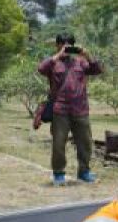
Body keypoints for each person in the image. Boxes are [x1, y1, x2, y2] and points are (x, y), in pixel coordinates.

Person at [37, 33, 102, 186]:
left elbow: (97, 69)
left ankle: (84, 172)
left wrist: (88, 55)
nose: (67, 47)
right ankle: (58, 174)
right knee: (59, 143)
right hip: (60, 110)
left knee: (85, 142)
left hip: (80, 109)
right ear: (57, 45)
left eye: (70, 44)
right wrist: (58, 56)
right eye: (63, 44)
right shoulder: (53, 63)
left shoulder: (80, 63)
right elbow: (41, 68)